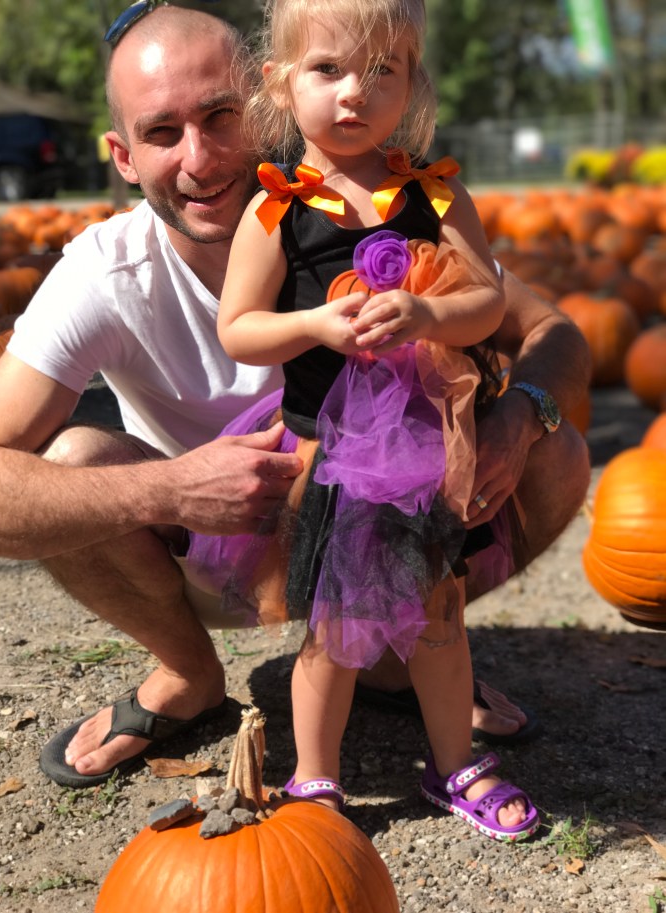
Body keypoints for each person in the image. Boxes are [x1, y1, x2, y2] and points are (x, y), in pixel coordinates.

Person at [0, 4, 590, 798]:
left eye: (219, 116)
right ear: (123, 156)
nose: (199, 158)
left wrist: (519, 413)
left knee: (555, 448)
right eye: (162, 132)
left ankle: (395, 654)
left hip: (390, 507)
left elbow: (553, 330)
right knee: (71, 460)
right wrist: (165, 487)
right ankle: (188, 672)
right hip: (212, 548)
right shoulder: (107, 272)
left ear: (261, 106)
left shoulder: (394, 205)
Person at [184, 0, 539, 841]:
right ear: (281, 83)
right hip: (330, 458)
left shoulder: (432, 195)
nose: (355, 91)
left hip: (427, 455)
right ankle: (315, 776)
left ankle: (453, 764)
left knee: (439, 616)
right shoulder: (277, 209)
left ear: (412, 84)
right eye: (328, 69)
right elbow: (238, 327)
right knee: (330, 628)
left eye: (382, 70)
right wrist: (313, 324)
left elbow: (487, 303)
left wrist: (426, 313)